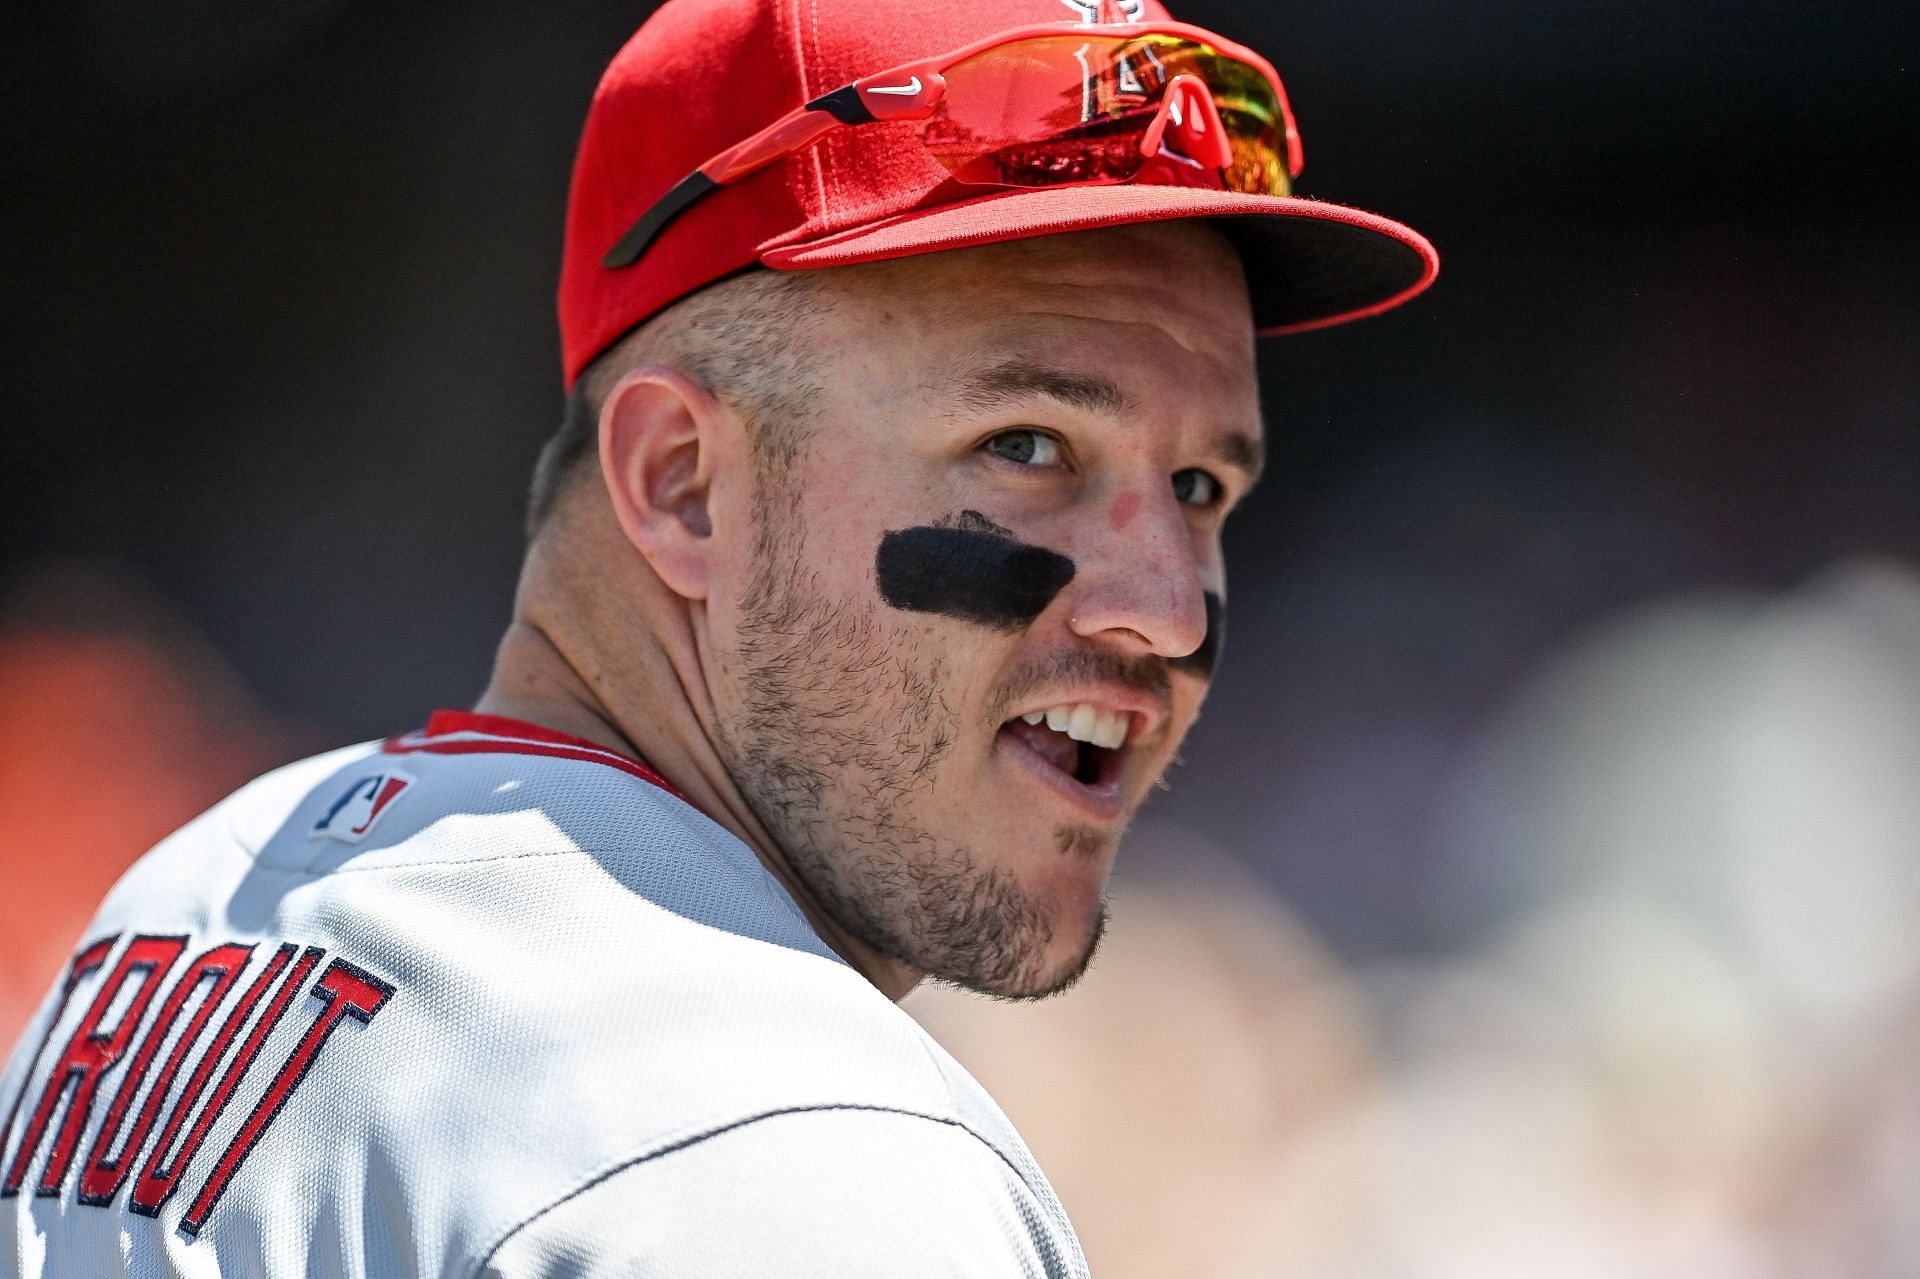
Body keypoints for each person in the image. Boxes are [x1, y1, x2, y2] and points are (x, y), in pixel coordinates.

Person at [0, 0, 1434, 1272]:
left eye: (1199, 487)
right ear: (685, 486)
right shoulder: (788, 1145)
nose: (1167, 606)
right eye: (1031, 445)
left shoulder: (193, 901)